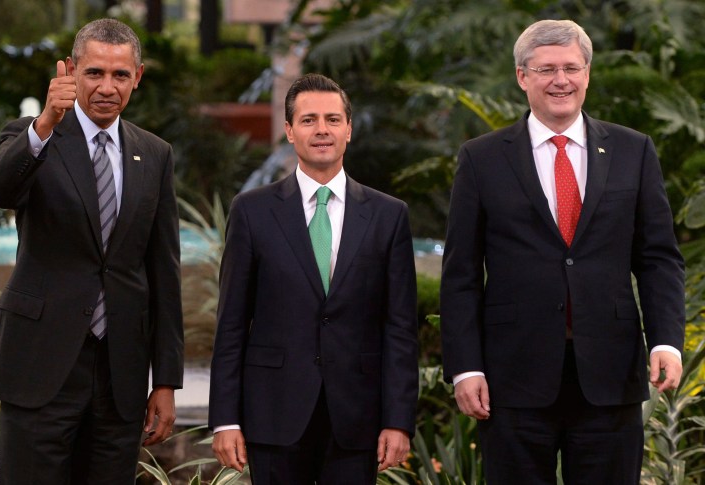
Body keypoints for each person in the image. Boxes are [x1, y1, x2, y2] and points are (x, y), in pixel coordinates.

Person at [440, 19, 685, 484]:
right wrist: (465, 367)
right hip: (512, 378)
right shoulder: (481, 159)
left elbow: (658, 258)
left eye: (572, 67)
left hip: (610, 375)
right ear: (522, 76)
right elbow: (461, 274)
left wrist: (666, 340)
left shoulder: (634, 151)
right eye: (546, 68)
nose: (561, 80)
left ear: (587, 74)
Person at [0, 18, 184, 484]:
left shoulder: (155, 154)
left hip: (121, 378)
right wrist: (46, 121)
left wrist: (166, 381)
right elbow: (0, 191)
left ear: (138, 77)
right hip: (40, 369)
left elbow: (164, 271)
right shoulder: (33, 135)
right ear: (70, 71)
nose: (107, 87)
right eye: (94, 73)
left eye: (120, 75)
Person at [208, 73, 419, 484]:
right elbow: (231, 323)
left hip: (357, 419)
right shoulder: (252, 211)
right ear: (289, 131)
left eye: (332, 119)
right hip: (274, 415)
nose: (322, 130)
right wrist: (225, 419)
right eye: (308, 120)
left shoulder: (388, 215)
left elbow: (400, 329)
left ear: (349, 129)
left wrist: (398, 421)